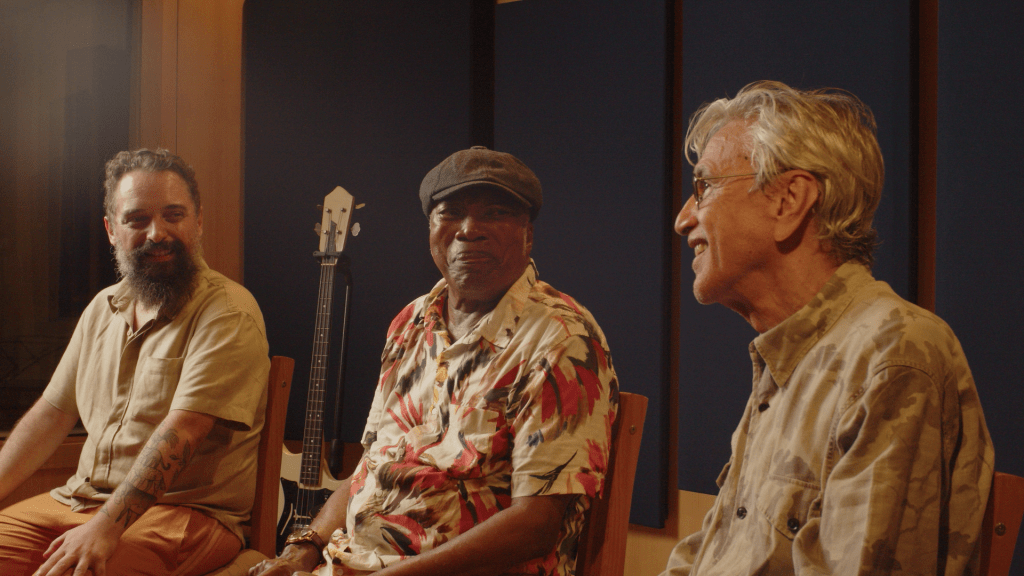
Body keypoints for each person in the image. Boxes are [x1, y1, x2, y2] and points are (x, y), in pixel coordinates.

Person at [662, 81, 994, 575]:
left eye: (704, 186)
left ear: (789, 200)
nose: (682, 219)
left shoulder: (893, 354)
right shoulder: (788, 360)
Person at [252, 146, 618, 576]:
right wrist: (303, 549)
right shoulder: (410, 322)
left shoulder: (561, 339)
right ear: (430, 228)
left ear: (527, 234)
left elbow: (537, 526)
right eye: (451, 213)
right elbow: (368, 469)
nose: (468, 230)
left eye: (495, 213)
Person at [0, 149, 271, 576]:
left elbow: (183, 432)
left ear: (198, 221)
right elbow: (50, 416)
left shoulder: (228, 311)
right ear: (111, 230)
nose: (157, 232)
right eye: (137, 219)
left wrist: (106, 528)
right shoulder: (100, 309)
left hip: (184, 515)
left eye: (174, 215)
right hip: (78, 501)